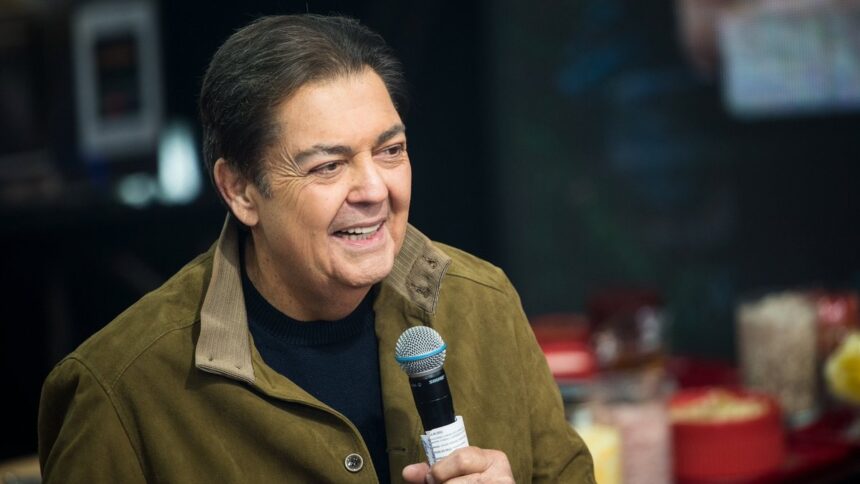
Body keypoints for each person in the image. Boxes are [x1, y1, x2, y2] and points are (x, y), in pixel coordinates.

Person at [38, 14, 595, 483]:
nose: (375, 189)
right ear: (240, 190)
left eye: (390, 150)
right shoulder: (120, 389)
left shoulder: (484, 304)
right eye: (328, 166)